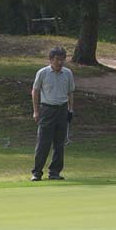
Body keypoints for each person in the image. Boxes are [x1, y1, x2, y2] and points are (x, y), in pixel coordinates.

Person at [30, 46, 75, 181]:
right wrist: (36, 111)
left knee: (59, 143)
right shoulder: (43, 73)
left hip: (62, 110)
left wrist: (70, 109)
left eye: (62, 60)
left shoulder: (67, 73)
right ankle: (37, 172)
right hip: (47, 109)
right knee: (43, 142)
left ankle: (54, 172)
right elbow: (35, 91)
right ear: (51, 59)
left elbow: (70, 92)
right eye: (57, 59)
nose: (60, 62)